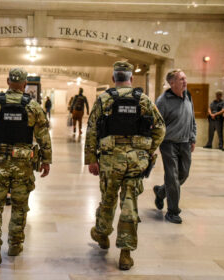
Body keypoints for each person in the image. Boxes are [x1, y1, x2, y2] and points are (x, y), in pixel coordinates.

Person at [85, 61, 165, 270]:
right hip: (136, 161)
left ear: (113, 78)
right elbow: (160, 129)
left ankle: (102, 234)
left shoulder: (104, 99)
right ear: (131, 78)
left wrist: (91, 159)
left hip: (111, 160)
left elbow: (92, 130)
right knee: (129, 202)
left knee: (108, 199)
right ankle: (125, 254)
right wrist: (147, 150)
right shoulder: (144, 100)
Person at [0, 68, 52, 266]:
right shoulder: (33, 106)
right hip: (23, 162)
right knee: (19, 205)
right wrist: (46, 160)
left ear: (8, 81)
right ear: (25, 84)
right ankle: (15, 244)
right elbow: (43, 136)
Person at [153, 69, 196, 224]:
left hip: (185, 142)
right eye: (181, 79)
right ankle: (172, 211)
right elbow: (156, 124)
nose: (185, 81)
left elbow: (192, 118)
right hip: (168, 143)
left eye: (185, 78)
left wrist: (193, 137)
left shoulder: (188, 95)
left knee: (183, 175)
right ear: (172, 83)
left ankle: (160, 192)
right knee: (172, 176)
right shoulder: (162, 101)